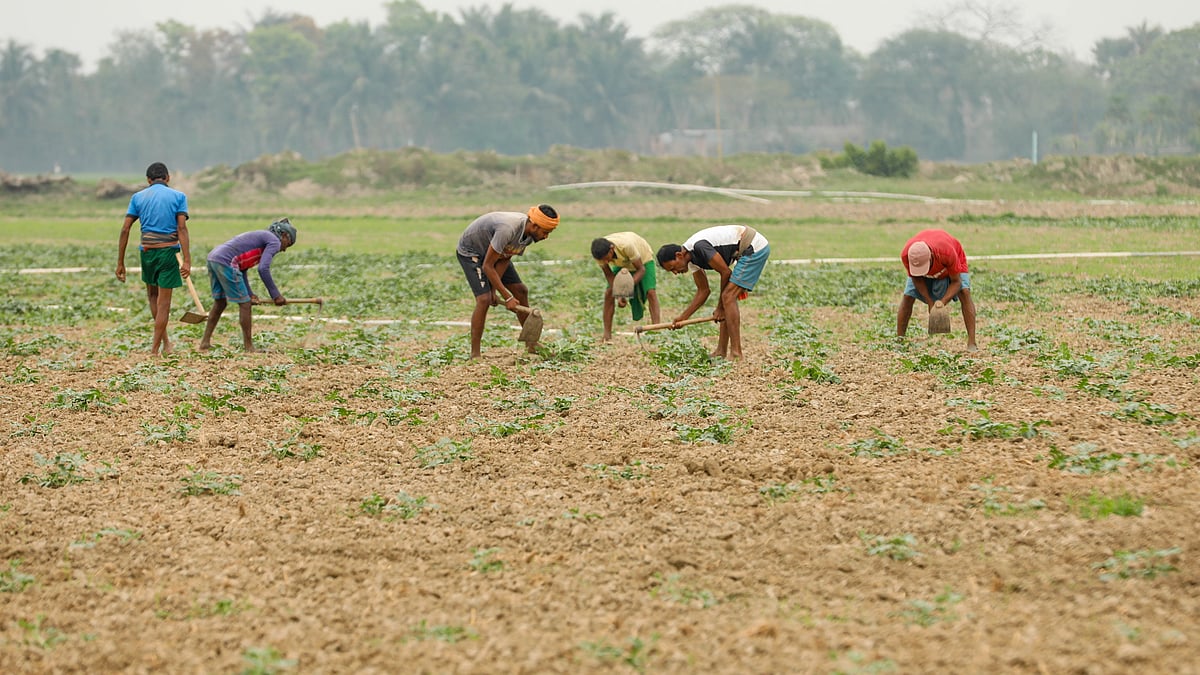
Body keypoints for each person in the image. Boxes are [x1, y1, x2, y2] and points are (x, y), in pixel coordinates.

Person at [456, 204, 559, 359]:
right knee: (483, 300)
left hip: (497, 253)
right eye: (545, 232)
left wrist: (495, 291)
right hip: (472, 251)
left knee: (521, 290)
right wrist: (507, 297)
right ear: (534, 226)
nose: (546, 236)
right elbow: (488, 266)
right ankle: (475, 353)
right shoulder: (507, 229)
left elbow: (505, 257)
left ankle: (531, 344)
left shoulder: (528, 236)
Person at [655, 225, 770, 360]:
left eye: (673, 268)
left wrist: (720, 307)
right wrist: (683, 317)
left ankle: (736, 353)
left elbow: (726, 272)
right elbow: (703, 291)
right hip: (744, 250)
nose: (675, 273)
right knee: (727, 299)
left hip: (754, 246)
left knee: (728, 297)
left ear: (679, 255)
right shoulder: (691, 260)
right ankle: (721, 351)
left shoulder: (699, 247)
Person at [115, 162, 191, 356]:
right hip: (167, 253)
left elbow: (125, 229)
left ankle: (165, 343)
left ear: (148, 180)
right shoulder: (178, 197)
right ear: (168, 178)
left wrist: (120, 263)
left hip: (147, 253)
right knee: (164, 304)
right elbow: (181, 228)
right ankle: (155, 350)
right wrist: (187, 260)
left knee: (153, 297)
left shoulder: (137, 197)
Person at [198, 218, 296, 352]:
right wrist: (276, 295)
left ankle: (205, 343)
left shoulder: (263, 237)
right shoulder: (274, 240)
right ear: (284, 236)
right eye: (287, 244)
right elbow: (263, 269)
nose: (284, 249)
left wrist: (250, 294)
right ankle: (249, 347)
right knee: (245, 305)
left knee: (220, 302)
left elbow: (242, 267)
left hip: (214, 258)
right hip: (226, 261)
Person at [897, 228, 978, 351]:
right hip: (929, 266)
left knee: (964, 292)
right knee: (908, 295)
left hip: (952, 263)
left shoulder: (947, 252)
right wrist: (930, 301)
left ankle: (972, 342)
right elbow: (916, 278)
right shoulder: (906, 255)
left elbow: (956, 282)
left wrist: (941, 303)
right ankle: (899, 340)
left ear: (931, 257)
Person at [590, 233, 662, 341]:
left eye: (606, 258)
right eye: (602, 260)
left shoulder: (626, 246)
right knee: (609, 293)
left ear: (611, 249)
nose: (605, 262)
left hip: (643, 260)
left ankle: (656, 331)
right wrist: (619, 294)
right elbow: (609, 275)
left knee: (650, 291)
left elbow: (641, 270)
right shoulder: (599, 254)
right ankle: (607, 335)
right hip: (622, 264)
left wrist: (625, 291)